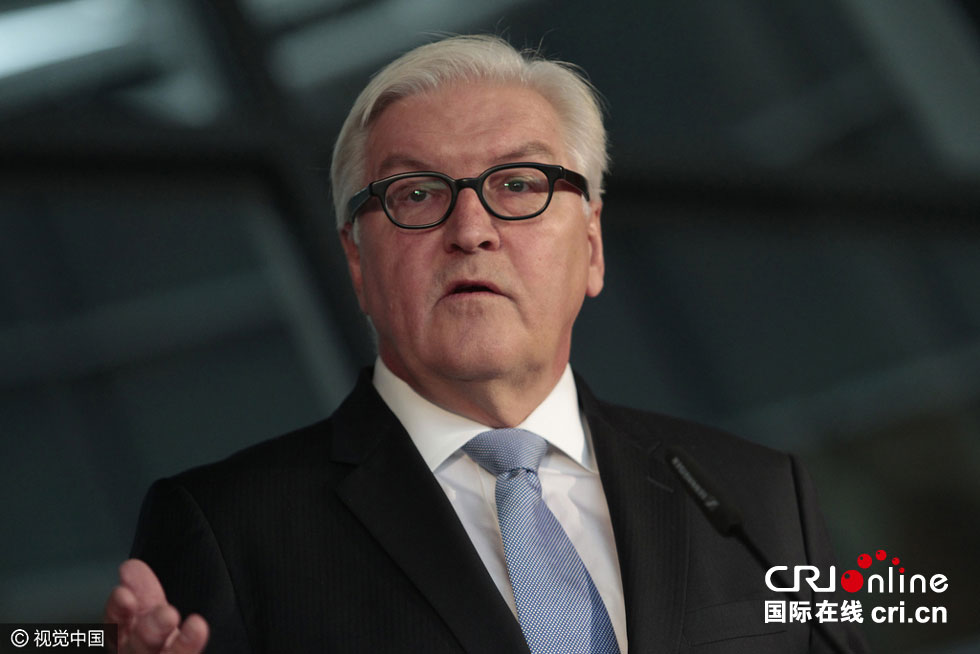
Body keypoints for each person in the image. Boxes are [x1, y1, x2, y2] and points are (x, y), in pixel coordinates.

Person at [104, 35, 867, 653]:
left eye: (519, 185)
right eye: (416, 195)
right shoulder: (227, 529)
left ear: (592, 245)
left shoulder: (758, 496)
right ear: (358, 263)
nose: (470, 230)